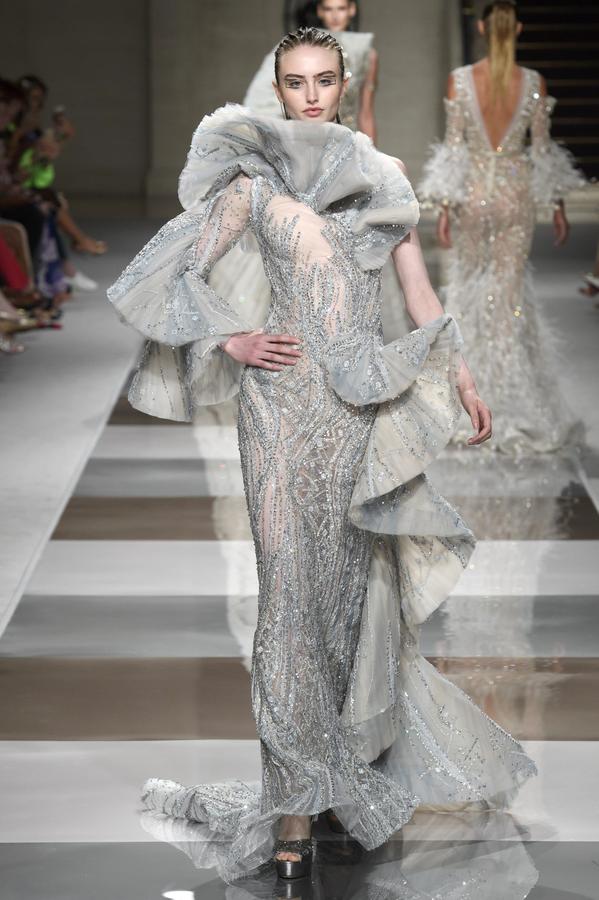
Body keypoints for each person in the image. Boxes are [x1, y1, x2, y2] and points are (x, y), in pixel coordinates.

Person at [108, 27, 535, 884]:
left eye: (324, 80)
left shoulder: (382, 175)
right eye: (296, 82)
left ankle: (334, 770)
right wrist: (230, 338)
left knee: (345, 597)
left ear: (345, 83)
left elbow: (417, 289)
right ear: (277, 88)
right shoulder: (252, 183)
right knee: (286, 600)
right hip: (276, 407)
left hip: (358, 407)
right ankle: (294, 805)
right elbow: (164, 270)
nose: (311, 96)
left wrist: (460, 376)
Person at [418, 0, 585, 456]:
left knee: (467, 288)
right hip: (515, 193)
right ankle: (509, 401)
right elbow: (542, 151)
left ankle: (464, 398)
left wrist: (445, 208)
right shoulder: (533, 83)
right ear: (519, 29)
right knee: (509, 297)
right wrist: (557, 205)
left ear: (480, 28)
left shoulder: (459, 80)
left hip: (472, 192)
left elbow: (454, 149)